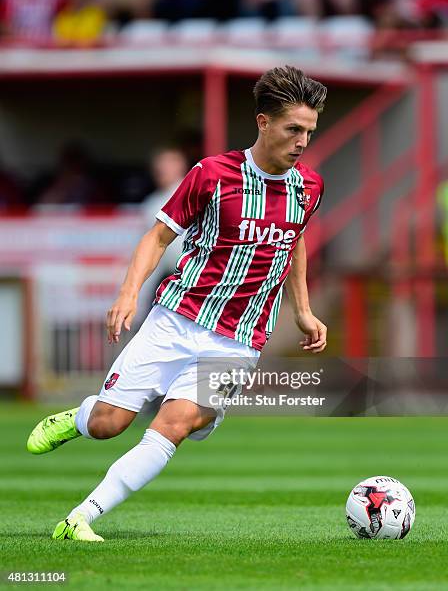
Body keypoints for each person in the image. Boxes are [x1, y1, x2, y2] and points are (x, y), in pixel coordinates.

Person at [26, 65, 328, 542]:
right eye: (293, 129)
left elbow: (295, 240)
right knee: (109, 425)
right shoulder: (212, 175)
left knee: (175, 424)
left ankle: (81, 517)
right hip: (176, 320)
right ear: (263, 122)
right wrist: (127, 293)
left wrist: (303, 310)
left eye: (309, 132)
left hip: (238, 341)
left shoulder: (308, 186)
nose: (302, 142)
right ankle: (81, 418)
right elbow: (157, 236)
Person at [138, 147, 188, 321]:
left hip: (189, 276)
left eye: (168, 165)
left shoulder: (191, 192)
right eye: (160, 166)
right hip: (163, 276)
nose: (162, 170)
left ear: (181, 166)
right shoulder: (151, 202)